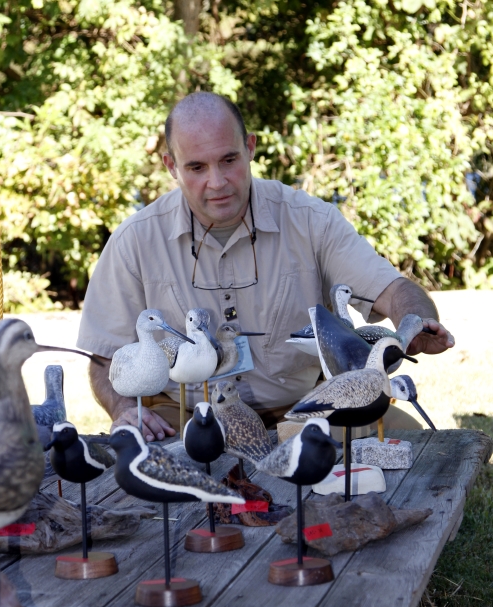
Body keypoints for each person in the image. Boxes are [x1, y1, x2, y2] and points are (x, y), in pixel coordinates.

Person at [77, 92, 454, 441]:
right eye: (196, 167)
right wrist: (125, 409)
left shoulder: (310, 219)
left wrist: (416, 323)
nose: (217, 182)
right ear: (171, 166)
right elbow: (103, 355)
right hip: (185, 416)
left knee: (410, 438)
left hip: (308, 408)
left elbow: (395, 291)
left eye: (229, 160)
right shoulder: (135, 239)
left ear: (250, 147)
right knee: (132, 458)